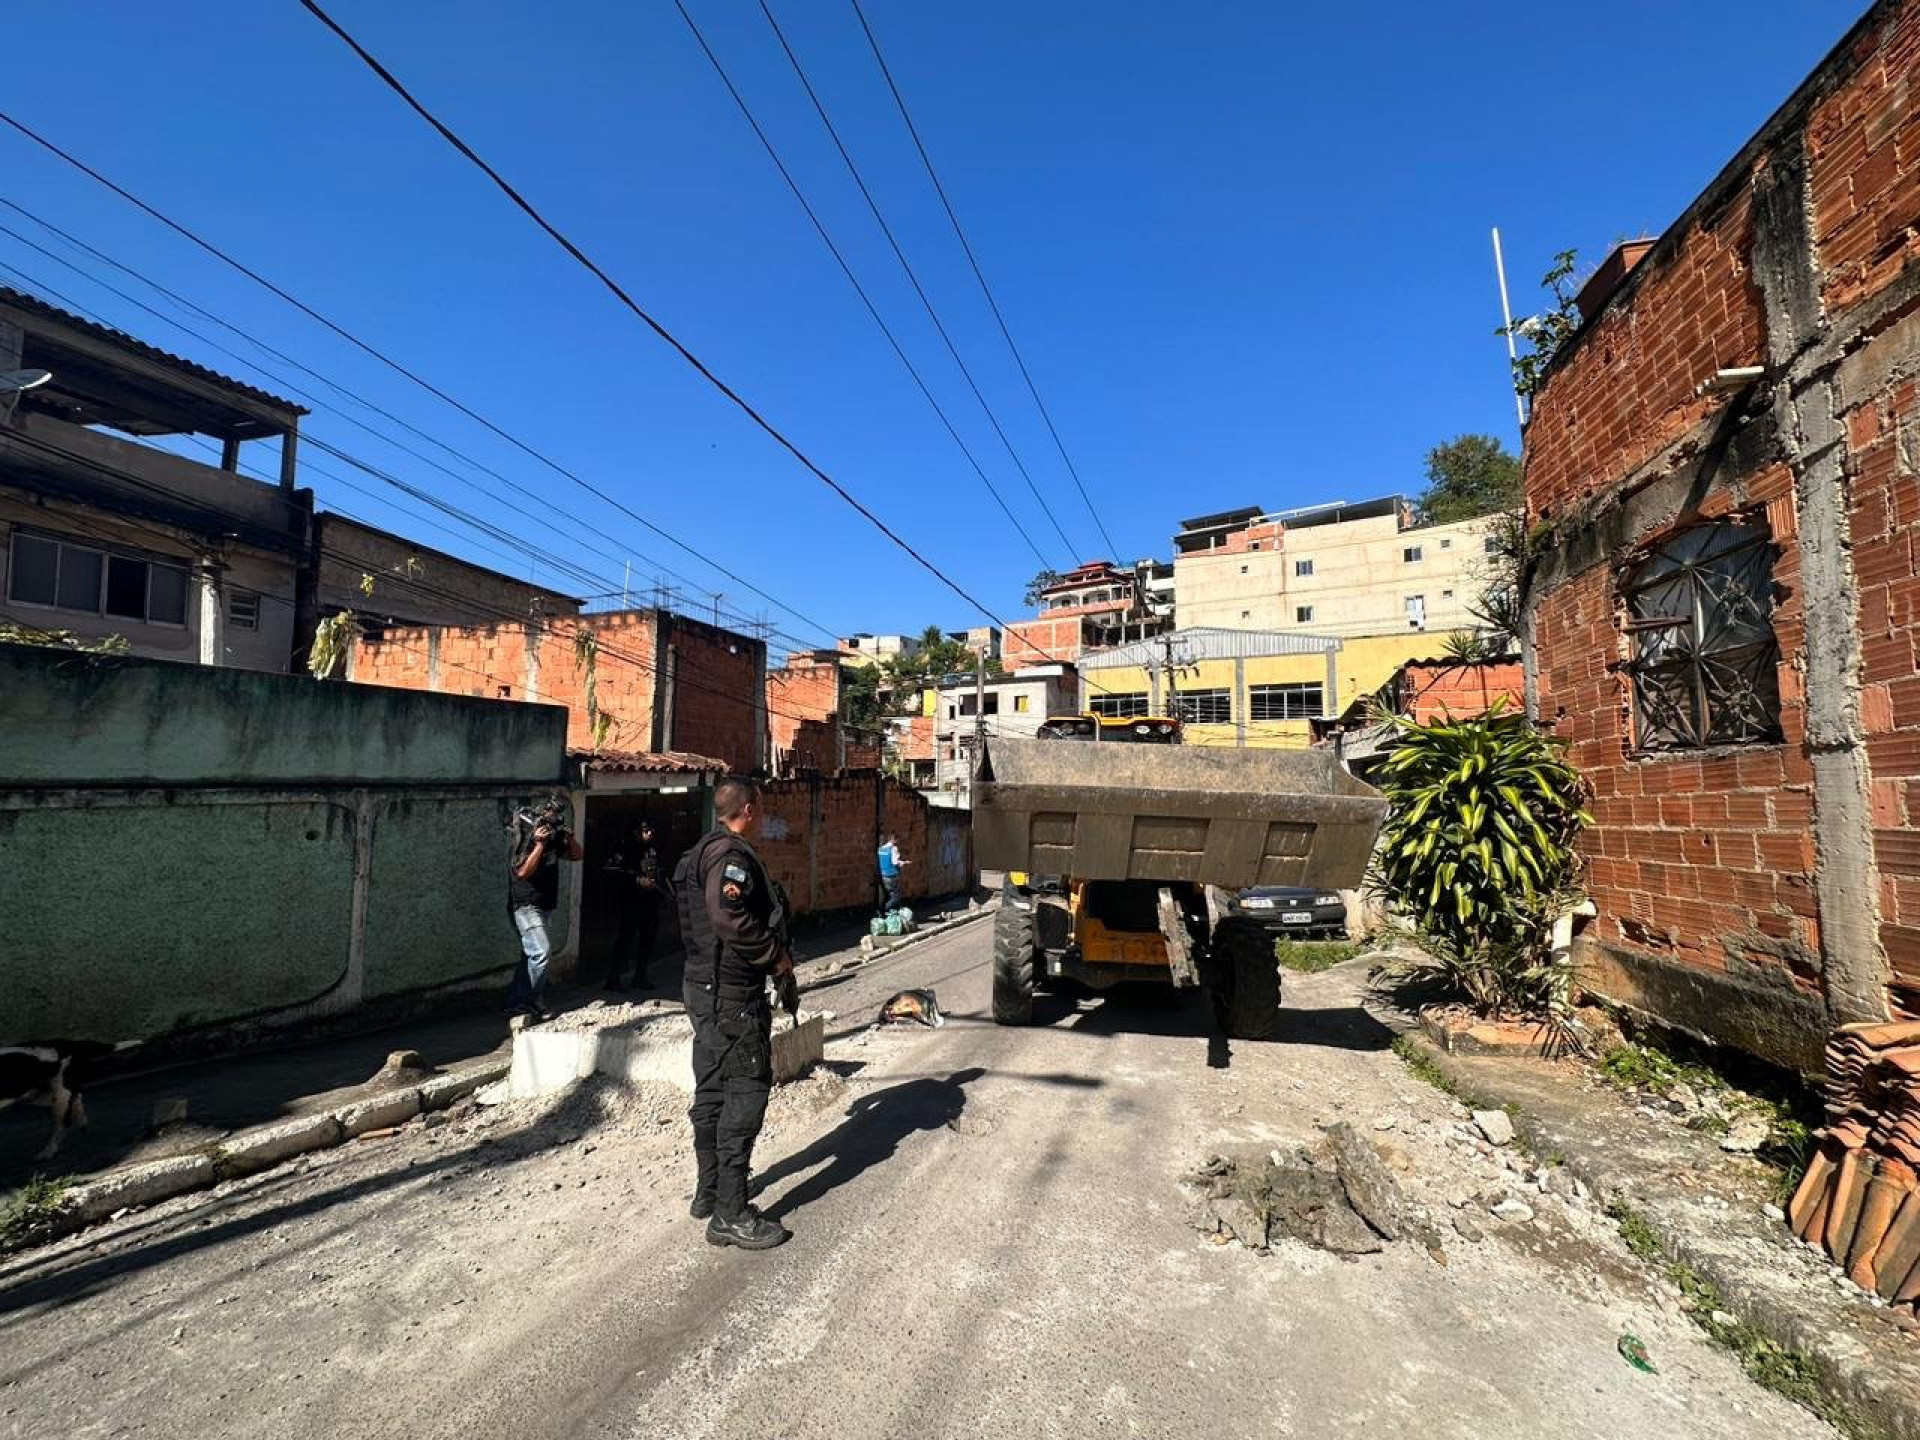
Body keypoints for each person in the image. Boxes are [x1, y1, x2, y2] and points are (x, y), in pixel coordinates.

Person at [674, 778, 798, 1251]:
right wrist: (774, 956)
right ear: (748, 809)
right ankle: (731, 1213)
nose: (762, 814)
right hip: (731, 995)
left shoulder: (701, 851)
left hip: (703, 989)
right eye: (759, 807)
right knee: (745, 1091)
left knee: (711, 1089)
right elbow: (727, 916)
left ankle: (709, 1192)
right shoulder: (731, 856)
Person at [504, 797, 584, 1021]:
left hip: (544, 905)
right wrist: (539, 845)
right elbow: (522, 873)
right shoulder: (524, 841)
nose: (551, 823)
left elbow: (577, 855)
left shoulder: (553, 839)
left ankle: (515, 1003)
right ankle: (531, 1001)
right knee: (541, 952)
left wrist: (569, 837)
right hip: (525, 906)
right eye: (548, 817)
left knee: (530, 956)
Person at [603, 819, 663, 990]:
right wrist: (636, 880)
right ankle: (613, 978)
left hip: (649, 899)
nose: (649, 834)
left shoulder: (650, 849)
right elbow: (611, 871)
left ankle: (640, 976)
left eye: (651, 830)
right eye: (645, 830)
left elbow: (656, 868)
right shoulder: (625, 849)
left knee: (648, 937)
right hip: (631, 898)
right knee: (626, 938)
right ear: (636, 832)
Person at [876, 831, 910, 914]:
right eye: (897, 840)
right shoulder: (893, 849)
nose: (897, 842)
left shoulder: (880, 849)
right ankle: (884, 910)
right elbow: (895, 862)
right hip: (892, 875)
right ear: (894, 840)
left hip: (883, 875)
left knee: (888, 895)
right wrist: (904, 862)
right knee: (896, 896)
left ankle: (888, 912)